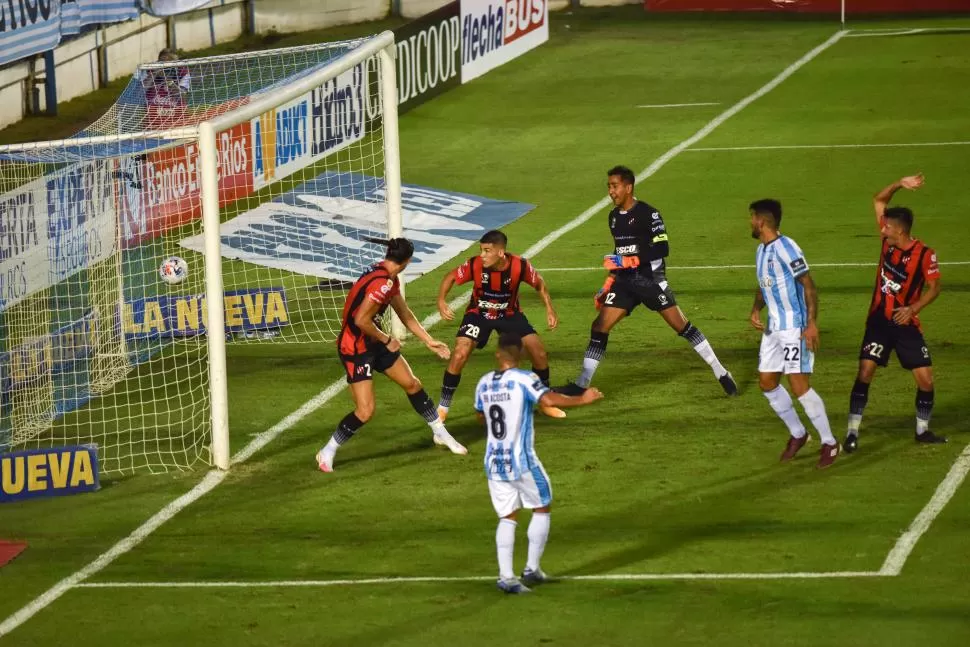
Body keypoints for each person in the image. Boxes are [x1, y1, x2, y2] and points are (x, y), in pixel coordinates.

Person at [556, 165, 738, 396]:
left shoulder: (648, 214)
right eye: (609, 187)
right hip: (626, 283)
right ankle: (581, 385)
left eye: (615, 186)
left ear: (628, 187)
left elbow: (663, 247)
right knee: (599, 326)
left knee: (682, 327)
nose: (611, 192)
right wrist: (607, 284)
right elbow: (619, 255)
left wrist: (634, 260)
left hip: (650, 281)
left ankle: (720, 371)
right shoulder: (613, 218)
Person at [316, 238, 467, 472]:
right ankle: (328, 450)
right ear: (407, 261)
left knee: (412, 384)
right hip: (356, 348)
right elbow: (360, 320)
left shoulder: (387, 276)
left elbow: (405, 314)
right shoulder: (382, 283)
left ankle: (442, 433)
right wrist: (387, 339)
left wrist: (429, 341)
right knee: (365, 411)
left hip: (374, 340)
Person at [474, 332, 604, 594]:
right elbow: (547, 400)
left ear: (498, 354)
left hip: (494, 460)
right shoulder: (524, 379)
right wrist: (582, 399)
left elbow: (480, 416)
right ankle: (532, 569)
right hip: (521, 460)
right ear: (520, 355)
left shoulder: (484, 383)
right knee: (541, 506)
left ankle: (506, 576)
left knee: (507, 516)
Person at [843, 174, 945, 453]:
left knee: (926, 380)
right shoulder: (887, 242)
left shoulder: (925, 254)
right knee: (865, 371)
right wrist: (900, 184)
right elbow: (879, 199)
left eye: (887, 227)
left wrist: (913, 308)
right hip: (879, 321)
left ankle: (922, 431)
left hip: (906, 324)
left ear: (899, 231)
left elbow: (935, 287)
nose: (882, 230)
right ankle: (852, 432)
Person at [749, 199, 839, 468]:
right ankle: (798, 434)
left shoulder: (787, 248)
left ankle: (830, 442)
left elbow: (809, 286)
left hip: (794, 327)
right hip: (773, 328)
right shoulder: (760, 251)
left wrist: (811, 324)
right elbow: (764, 285)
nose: (750, 223)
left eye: (752, 218)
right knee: (767, 382)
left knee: (799, 386)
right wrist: (755, 309)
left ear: (762, 221)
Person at [437, 230, 564, 420]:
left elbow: (539, 283)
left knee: (538, 352)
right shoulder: (475, 264)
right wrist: (441, 300)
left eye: (487, 251)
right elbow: (451, 276)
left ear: (501, 253)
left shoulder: (519, 266)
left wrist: (550, 308)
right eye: (481, 250)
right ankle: (442, 409)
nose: (482, 255)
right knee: (460, 353)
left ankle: (544, 402)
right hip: (478, 314)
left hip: (509, 314)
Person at [141, 48, 191, 128]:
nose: (168, 68)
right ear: (159, 62)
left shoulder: (183, 72)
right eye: (164, 64)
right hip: (154, 120)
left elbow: (181, 96)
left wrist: (166, 79)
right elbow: (141, 90)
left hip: (178, 119)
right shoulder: (148, 70)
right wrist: (155, 73)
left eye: (172, 63)